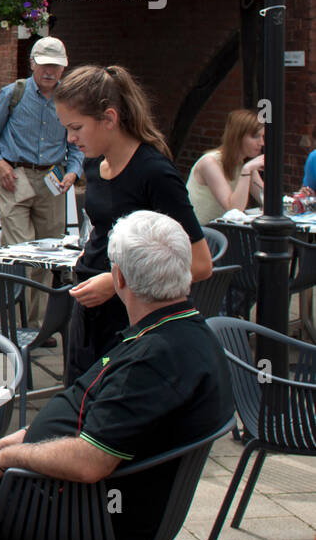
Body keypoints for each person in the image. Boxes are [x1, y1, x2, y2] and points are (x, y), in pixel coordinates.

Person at [0, 210, 233, 540]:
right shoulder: (180, 329)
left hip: (77, 514)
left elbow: (90, 462)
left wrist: (9, 457)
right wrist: (28, 434)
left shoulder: (155, 358)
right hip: (71, 497)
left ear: (119, 279)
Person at [53, 65, 211, 384]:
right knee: (78, 405)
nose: (70, 139)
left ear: (109, 119)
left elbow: (200, 263)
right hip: (89, 314)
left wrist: (114, 283)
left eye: (76, 127)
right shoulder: (96, 163)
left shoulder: (155, 173)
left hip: (133, 321)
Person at [0, 37, 84, 325]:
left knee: (49, 256)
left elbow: (76, 143)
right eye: (45, 64)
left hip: (53, 179)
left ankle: (38, 325)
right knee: (22, 252)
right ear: (33, 63)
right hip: (16, 176)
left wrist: (74, 171)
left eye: (56, 66)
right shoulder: (13, 93)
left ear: (64, 69)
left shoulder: (70, 99)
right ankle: (14, 319)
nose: (50, 71)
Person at [187, 108, 266, 223]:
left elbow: (270, 202)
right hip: (200, 234)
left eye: (263, 137)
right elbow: (233, 209)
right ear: (238, 137)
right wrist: (247, 170)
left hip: (223, 232)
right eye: (255, 136)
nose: (262, 143)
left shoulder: (243, 165)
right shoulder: (210, 162)